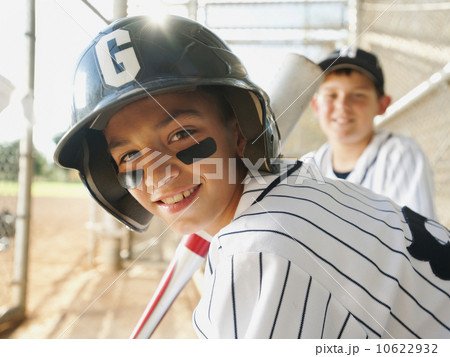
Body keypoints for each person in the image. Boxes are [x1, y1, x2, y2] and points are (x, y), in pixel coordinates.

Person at [54, 15, 450, 338]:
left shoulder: (256, 250)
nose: (159, 172)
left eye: (181, 134)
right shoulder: (299, 182)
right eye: (130, 155)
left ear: (239, 131)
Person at [304, 47, 437, 219]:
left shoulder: (400, 154)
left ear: (382, 104)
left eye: (358, 95)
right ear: (315, 105)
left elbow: (418, 241)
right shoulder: (309, 165)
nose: (342, 105)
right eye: (331, 95)